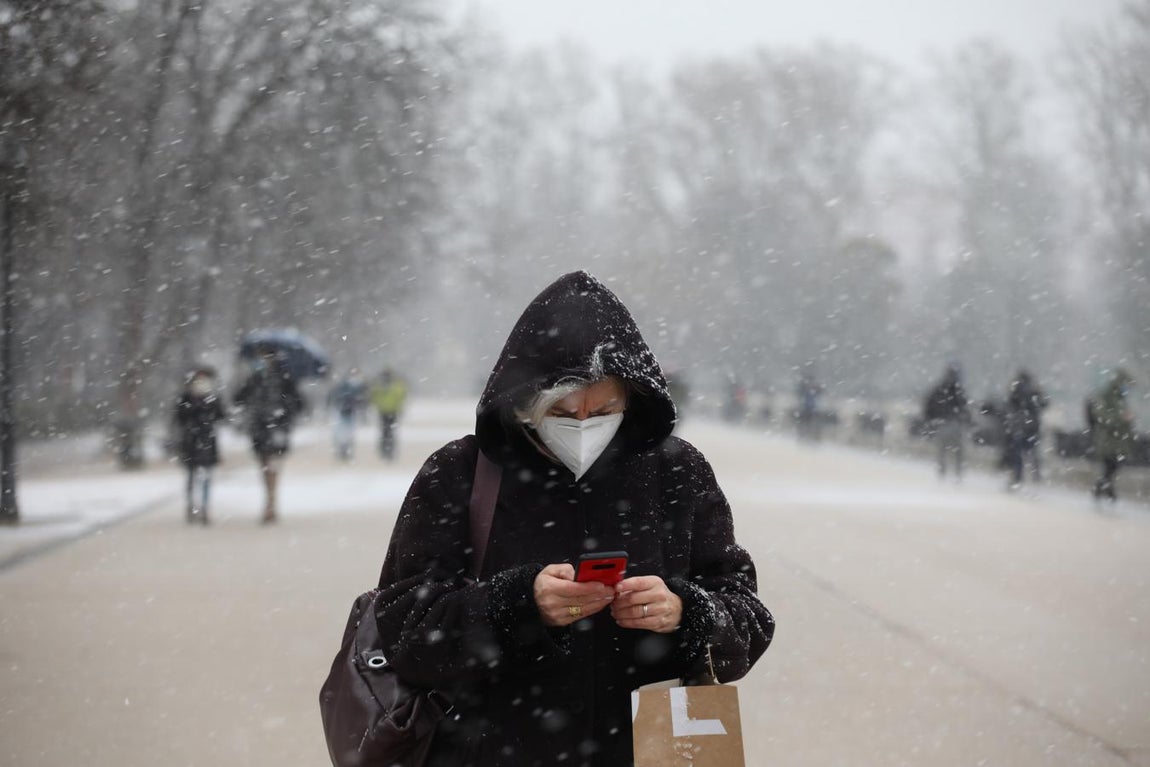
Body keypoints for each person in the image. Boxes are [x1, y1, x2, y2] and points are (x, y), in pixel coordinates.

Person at [370, 271, 774, 766]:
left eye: (604, 408)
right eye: (562, 412)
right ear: (522, 406)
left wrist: (686, 613)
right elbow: (405, 629)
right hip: (491, 748)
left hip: (645, 750)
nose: (584, 426)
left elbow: (746, 613)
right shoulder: (460, 472)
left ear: (632, 399)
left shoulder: (676, 471)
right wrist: (518, 604)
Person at [234, 344, 305, 524]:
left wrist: (284, 412)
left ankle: (270, 503)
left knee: (272, 466)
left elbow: (299, 403)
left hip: (277, 429)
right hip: (260, 429)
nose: (263, 361)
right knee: (265, 466)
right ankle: (270, 500)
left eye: (265, 357)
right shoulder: (254, 379)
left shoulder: (285, 379)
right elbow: (239, 398)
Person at [172, 366, 227, 525]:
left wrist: (212, 403)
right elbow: (179, 418)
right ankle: (191, 506)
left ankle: (204, 508)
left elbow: (221, 416)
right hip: (190, 442)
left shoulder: (213, 399)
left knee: (206, 477)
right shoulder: (185, 398)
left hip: (207, 441)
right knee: (191, 477)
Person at [1087, 368, 1136, 504]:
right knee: (1111, 466)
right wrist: (1122, 418)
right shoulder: (1107, 395)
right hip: (1108, 439)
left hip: (1117, 440)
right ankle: (1106, 490)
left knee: (1112, 467)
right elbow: (1102, 416)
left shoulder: (1120, 397)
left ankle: (1104, 488)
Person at [1001, 369, 1049, 490]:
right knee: (1033, 453)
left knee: (1018, 455)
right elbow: (1044, 404)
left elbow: (1009, 404)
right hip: (1032, 427)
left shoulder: (1016, 389)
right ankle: (1036, 477)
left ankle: (1018, 478)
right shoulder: (1034, 391)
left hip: (1019, 427)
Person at [923, 363, 971, 480]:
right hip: (956, 424)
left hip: (943, 423)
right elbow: (965, 408)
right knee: (958, 452)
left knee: (942, 450)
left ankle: (942, 473)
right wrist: (966, 421)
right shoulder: (959, 390)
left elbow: (929, 406)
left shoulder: (939, 389)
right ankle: (958, 474)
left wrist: (930, 421)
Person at [327, 368, 367, 461]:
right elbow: (360, 400)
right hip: (345, 412)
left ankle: (344, 450)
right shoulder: (351, 387)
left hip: (345, 412)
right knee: (346, 433)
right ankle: (345, 450)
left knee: (344, 433)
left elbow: (333, 397)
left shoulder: (344, 387)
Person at [370, 368, 408, 461]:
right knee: (388, 433)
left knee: (387, 433)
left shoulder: (382, 385)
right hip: (388, 411)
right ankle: (387, 451)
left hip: (388, 411)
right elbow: (401, 396)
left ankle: (387, 451)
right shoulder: (393, 385)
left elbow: (373, 396)